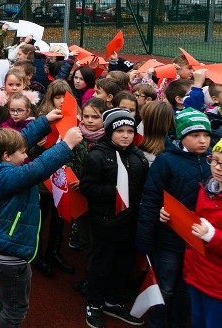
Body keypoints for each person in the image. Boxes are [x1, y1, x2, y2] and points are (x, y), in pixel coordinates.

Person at [0, 124, 84, 328]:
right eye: (23, 152)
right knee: (16, 306)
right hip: (9, 253)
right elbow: (38, 168)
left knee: (6, 289)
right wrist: (67, 145)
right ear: (6, 156)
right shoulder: (6, 177)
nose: (26, 156)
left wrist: (45, 121)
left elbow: (15, 141)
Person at [136, 108, 213, 328]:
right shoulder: (166, 161)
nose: (202, 140)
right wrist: (145, 237)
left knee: (187, 289)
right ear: (181, 136)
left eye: (206, 135)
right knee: (165, 287)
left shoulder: (213, 163)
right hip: (169, 240)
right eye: (195, 135)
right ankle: (156, 322)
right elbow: (151, 199)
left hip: (199, 242)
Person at [80, 109, 149, 328]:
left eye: (129, 130)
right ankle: (94, 303)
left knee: (122, 265)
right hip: (105, 222)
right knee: (101, 266)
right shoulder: (97, 155)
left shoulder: (138, 156)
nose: (126, 135)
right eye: (120, 131)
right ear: (110, 131)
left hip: (130, 223)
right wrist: (116, 192)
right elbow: (87, 187)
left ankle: (112, 301)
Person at [183, 137, 222, 328]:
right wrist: (177, 216)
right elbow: (201, 220)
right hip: (197, 271)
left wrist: (211, 236)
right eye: (214, 160)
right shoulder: (209, 187)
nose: (217, 167)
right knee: (198, 321)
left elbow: (209, 229)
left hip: (217, 284)